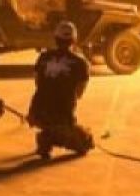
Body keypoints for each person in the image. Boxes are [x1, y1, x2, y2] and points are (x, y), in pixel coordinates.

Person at [28, 20, 94, 159]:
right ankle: (49, 136)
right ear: (74, 40)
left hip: (37, 111)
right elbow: (79, 93)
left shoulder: (43, 57)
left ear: (55, 38)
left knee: (53, 123)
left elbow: (38, 83)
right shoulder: (81, 63)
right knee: (87, 142)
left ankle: (48, 133)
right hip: (63, 114)